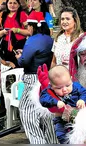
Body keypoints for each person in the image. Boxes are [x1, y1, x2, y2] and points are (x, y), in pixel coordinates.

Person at [15, 11, 57, 144]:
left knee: (28, 114)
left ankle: (39, 142)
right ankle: (53, 142)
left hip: (33, 79)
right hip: (48, 78)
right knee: (46, 113)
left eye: (28, 26)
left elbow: (24, 61)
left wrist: (19, 57)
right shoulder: (50, 39)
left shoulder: (32, 40)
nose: (27, 29)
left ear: (32, 26)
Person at [40, 65, 86, 144]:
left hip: (78, 118)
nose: (65, 90)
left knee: (82, 137)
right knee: (61, 136)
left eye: (67, 85)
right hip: (61, 120)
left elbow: (84, 92)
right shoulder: (49, 91)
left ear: (71, 79)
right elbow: (43, 99)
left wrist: (82, 100)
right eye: (59, 88)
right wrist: (56, 102)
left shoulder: (76, 86)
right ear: (51, 86)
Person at [0, 0, 30, 69]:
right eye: (10, 3)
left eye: (15, 3)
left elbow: (29, 32)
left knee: (19, 67)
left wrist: (17, 30)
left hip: (20, 45)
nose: (12, 5)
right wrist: (3, 32)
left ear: (19, 5)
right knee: (7, 67)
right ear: (7, 4)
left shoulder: (22, 14)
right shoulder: (2, 15)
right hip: (6, 46)